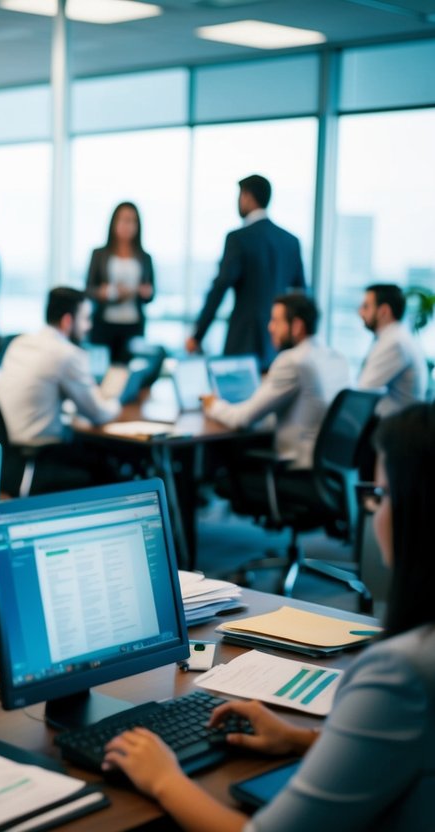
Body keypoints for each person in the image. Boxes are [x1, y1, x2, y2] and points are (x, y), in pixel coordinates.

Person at [101, 401, 435, 831]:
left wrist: (163, 778)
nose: (375, 513)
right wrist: (299, 740)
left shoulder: (402, 673)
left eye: (382, 495)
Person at [203, 293, 348, 469]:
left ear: (296, 326)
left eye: (276, 321)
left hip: (295, 469)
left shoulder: (292, 360)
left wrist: (212, 404)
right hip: (330, 468)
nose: (270, 327)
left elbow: (242, 419)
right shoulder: (337, 358)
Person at [187, 175, 305, 371]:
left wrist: (197, 335)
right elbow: (300, 294)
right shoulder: (291, 241)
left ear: (247, 197)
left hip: (244, 339)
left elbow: (220, 287)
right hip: (279, 342)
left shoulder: (238, 238)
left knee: (236, 397)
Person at [0, 287, 121, 446]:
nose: (88, 326)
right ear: (67, 321)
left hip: (6, 450)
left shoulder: (19, 343)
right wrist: (115, 400)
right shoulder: (66, 354)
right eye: (85, 319)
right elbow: (98, 413)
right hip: (42, 451)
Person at [85, 202, 155, 364]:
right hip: (104, 325)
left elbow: (151, 294)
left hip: (133, 325)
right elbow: (89, 289)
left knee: (128, 372)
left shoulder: (144, 257)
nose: (128, 225)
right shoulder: (99, 254)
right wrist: (105, 292)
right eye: (124, 220)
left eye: (132, 221)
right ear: (114, 223)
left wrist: (145, 293)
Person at [358, 283, 428, 417]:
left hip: (396, 430)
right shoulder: (396, 336)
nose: (360, 312)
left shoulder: (394, 343)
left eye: (366, 306)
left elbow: (363, 393)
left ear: (384, 311)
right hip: (395, 425)